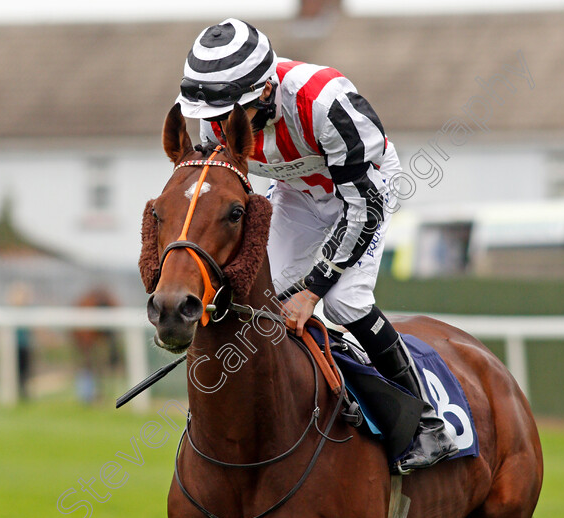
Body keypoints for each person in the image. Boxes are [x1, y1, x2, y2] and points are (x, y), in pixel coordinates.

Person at [176, 18, 457, 473]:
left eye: (228, 115)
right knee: (265, 298)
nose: (216, 129)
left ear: (265, 92)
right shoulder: (214, 125)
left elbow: (360, 209)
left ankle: (428, 422)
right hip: (296, 192)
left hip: (365, 192)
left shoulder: (326, 102)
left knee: (344, 302)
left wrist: (313, 290)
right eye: (209, 117)